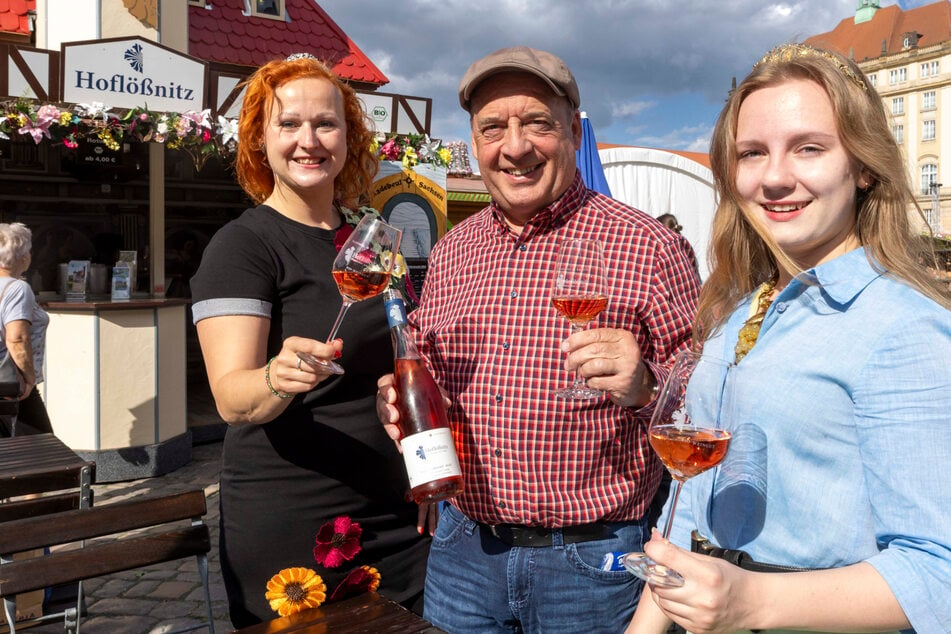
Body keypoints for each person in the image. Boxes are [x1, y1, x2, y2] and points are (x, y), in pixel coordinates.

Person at [376, 46, 702, 632]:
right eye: (493, 128)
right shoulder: (454, 250)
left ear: (573, 133)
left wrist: (647, 385)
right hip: (463, 551)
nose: (515, 146)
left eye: (537, 124)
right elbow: (424, 368)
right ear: (475, 144)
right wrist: (399, 401)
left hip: (591, 562)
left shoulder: (649, 245)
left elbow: (708, 400)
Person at [627, 44, 951, 634]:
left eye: (809, 148)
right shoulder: (739, 307)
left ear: (863, 165)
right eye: (752, 153)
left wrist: (751, 602)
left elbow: (940, 575)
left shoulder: (905, 327)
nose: (775, 177)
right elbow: (692, 505)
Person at [190, 53, 430, 628]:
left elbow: (401, 357)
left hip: (395, 510)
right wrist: (278, 375)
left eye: (326, 123)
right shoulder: (243, 246)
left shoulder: (367, 238)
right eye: (288, 124)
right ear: (259, 139)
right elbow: (232, 397)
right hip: (298, 516)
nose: (309, 140)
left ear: (349, 136)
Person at [0, 222, 52, 438]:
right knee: (42, 447)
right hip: (10, 383)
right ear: (22, 257)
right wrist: (29, 378)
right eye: (29, 250)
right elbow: (17, 339)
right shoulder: (18, 288)